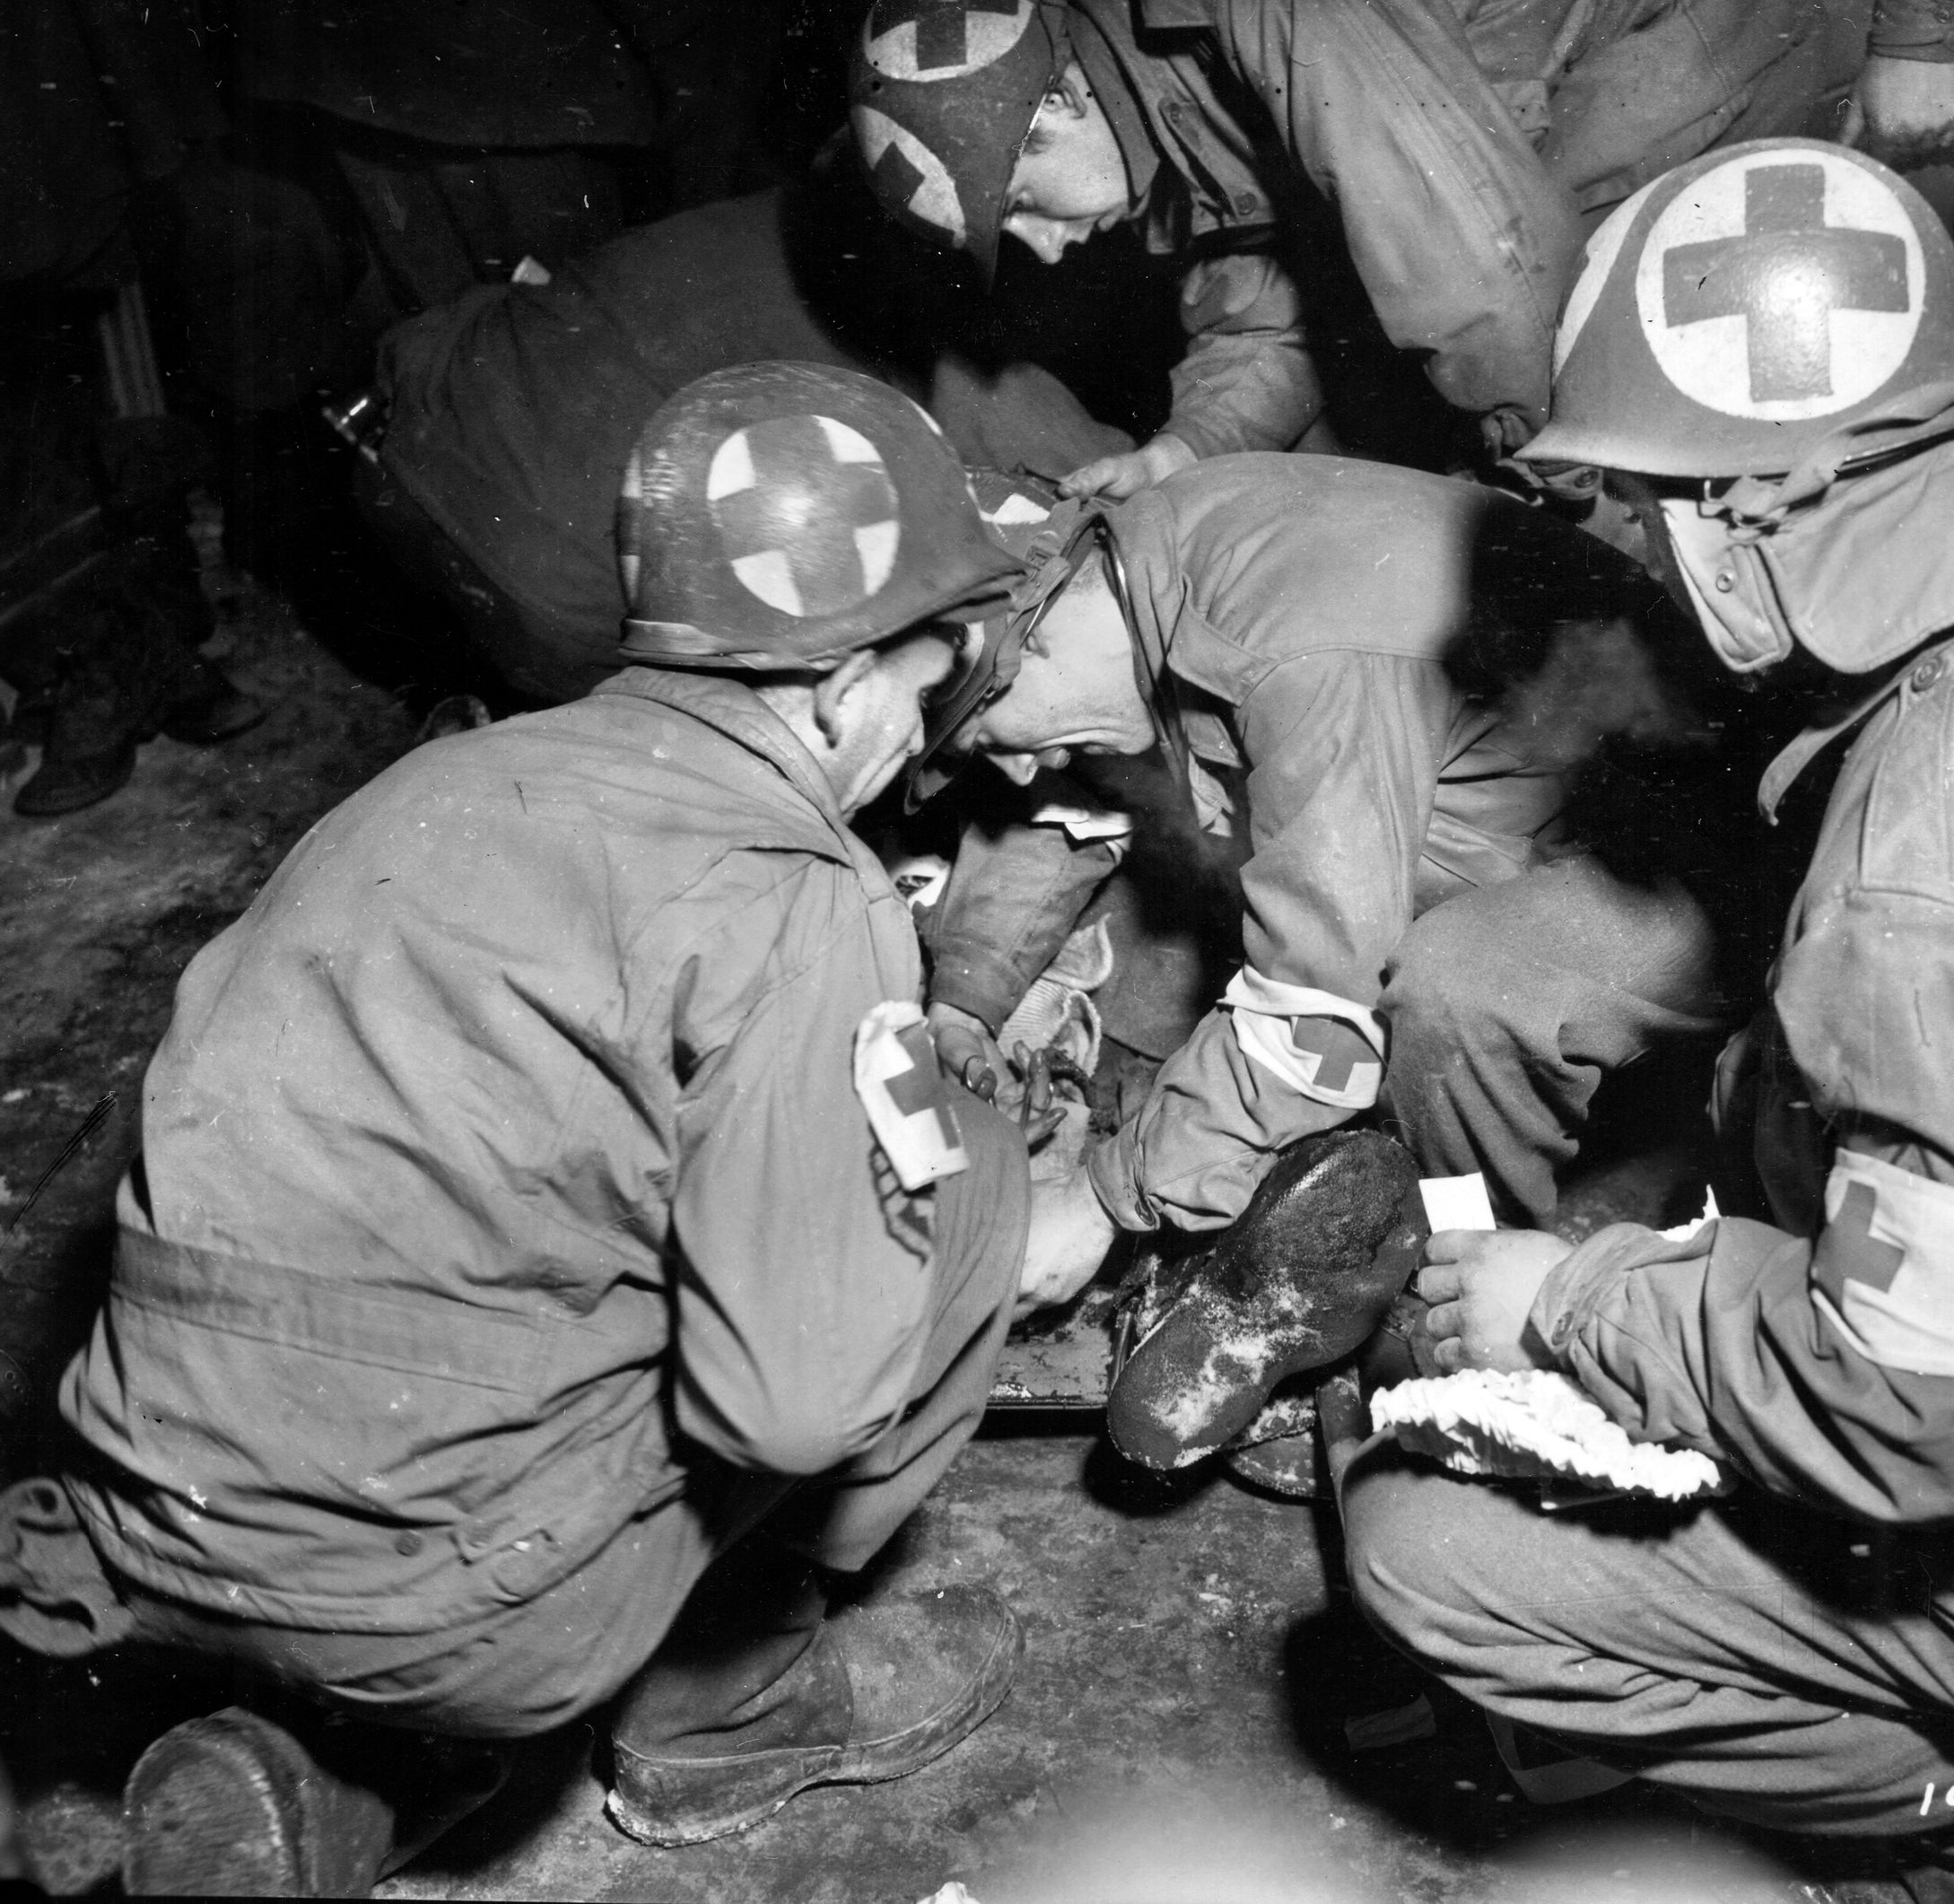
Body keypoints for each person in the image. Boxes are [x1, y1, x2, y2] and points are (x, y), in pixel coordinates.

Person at [0, 364, 1082, 1891]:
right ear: (841, 688)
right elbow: (790, 1410)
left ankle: (333, 1787)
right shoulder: (797, 897)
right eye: (924, 687)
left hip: (143, 1507)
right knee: (954, 1184)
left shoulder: (436, 776)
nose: (924, 736)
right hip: (448, 1591)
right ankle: (732, 1705)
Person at [1339, 138, 1954, 1903]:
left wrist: (1575, 1302)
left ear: (1737, 514)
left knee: (1423, 1550)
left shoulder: (1950, 876)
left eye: (1628, 511)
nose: (1620, 564)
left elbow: (1926, 1426)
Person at [914, 450, 1736, 1461]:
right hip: (1526, 788)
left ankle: (1439, 1286)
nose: (1017, 764)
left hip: (1699, 860)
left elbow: (1314, 1020)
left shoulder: (1300, 648)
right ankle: (1307, 1194)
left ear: (1034, 637)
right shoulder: (1134, 561)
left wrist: (1101, 1199)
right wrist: (966, 997)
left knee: (1453, 987)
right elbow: (1061, 802)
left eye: (992, 733)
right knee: (1220, 877)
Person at [847, 0, 1954, 500]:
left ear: (1053, 103)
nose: (1049, 254)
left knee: (1758, 442)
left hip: (1727, 48)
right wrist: (1184, 448)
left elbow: (1480, 279)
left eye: (1028, 209)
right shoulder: (1153, 121)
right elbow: (1265, 317)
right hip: (1567, 138)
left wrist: (1575, 491)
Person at [365, 166, 1138, 704]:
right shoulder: (954, 328)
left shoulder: (798, 207)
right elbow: (1104, 483)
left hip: (413, 452)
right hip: (570, 588)